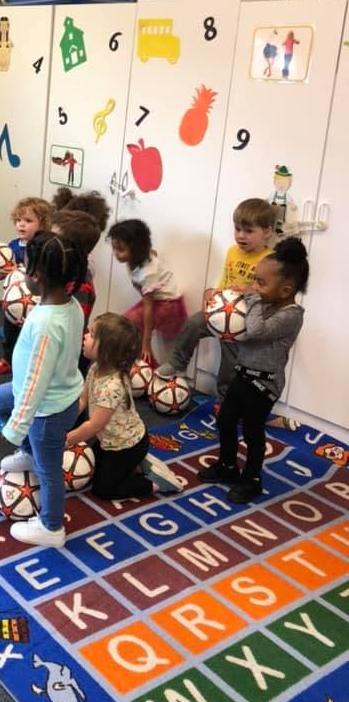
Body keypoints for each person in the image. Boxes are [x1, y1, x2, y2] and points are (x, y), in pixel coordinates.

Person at [0, 232, 86, 548]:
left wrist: (18, 427)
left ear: (37, 276)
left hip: (48, 410)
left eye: (25, 265)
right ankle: (30, 454)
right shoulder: (69, 305)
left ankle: (51, 527)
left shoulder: (46, 323)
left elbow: (35, 383)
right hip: (58, 396)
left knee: (50, 471)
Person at [198, 237, 309, 503]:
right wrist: (225, 298)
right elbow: (239, 322)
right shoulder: (266, 303)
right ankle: (227, 466)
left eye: (261, 283)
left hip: (265, 384)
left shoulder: (292, 315)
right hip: (244, 374)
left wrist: (250, 297)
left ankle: (252, 478)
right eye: (255, 280)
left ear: (286, 290)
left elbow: (256, 330)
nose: (255, 287)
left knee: (252, 431)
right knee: (225, 419)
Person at [156, 198, 275, 399]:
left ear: (267, 232)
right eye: (237, 229)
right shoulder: (232, 251)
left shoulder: (270, 260)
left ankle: (224, 397)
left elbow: (270, 293)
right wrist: (213, 293)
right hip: (221, 309)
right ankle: (178, 363)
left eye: (248, 231)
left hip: (243, 319)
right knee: (194, 323)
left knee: (231, 356)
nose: (241, 236)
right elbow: (225, 279)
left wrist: (249, 290)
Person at [66, 313, 184, 499]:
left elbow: (94, 425)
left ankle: (153, 483)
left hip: (127, 445)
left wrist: (66, 440)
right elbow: (82, 400)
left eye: (93, 335)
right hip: (109, 441)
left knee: (103, 490)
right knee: (89, 469)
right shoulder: (96, 368)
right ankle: (135, 466)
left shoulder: (112, 387)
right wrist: (63, 425)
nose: (85, 336)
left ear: (107, 350)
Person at [0, 196, 52, 376]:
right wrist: (3, 271)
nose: (21, 225)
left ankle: (31, 364)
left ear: (43, 224)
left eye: (28, 221)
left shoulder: (45, 246)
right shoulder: (13, 245)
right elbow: (7, 269)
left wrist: (22, 271)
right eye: (18, 220)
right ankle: (8, 359)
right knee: (9, 331)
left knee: (32, 334)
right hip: (14, 299)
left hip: (36, 300)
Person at [108, 218, 187, 364]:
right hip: (156, 300)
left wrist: (146, 343)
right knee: (128, 327)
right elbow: (154, 253)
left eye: (121, 250)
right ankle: (137, 364)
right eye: (114, 248)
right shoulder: (141, 255)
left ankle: (146, 367)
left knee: (128, 325)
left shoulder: (147, 273)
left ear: (136, 249)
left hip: (168, 305)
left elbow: (149, 308)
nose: (116, 254)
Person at [50, 188, 110, 372]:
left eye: (55, 239)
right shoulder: (65, 268)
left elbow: (73, 323)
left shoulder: (81, 284)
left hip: (70, 350)